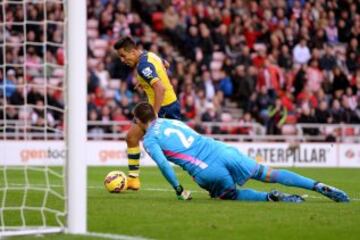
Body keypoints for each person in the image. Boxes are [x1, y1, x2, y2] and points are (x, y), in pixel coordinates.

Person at [133, 102, 350, 202]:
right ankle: (317, 185)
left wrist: (179, 189)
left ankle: (271, 197)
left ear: (139, 121)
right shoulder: (170, 121)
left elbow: (163, 164)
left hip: (206, 169)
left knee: (230, 195)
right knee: (268, 173)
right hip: (222, 149)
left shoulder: (150, 139)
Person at [114, 37, 181, 190]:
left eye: (123, 55)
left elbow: (160, 89)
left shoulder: (143, 65)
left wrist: (154, 115)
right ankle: (133, 179)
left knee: (175, 152)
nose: (122, 60)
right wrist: (144, 82)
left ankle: (206, 175)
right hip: (157, 105)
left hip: (165, 108)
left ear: (132, 51)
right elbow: (165, 64)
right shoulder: (150, 55)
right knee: (131, 137)